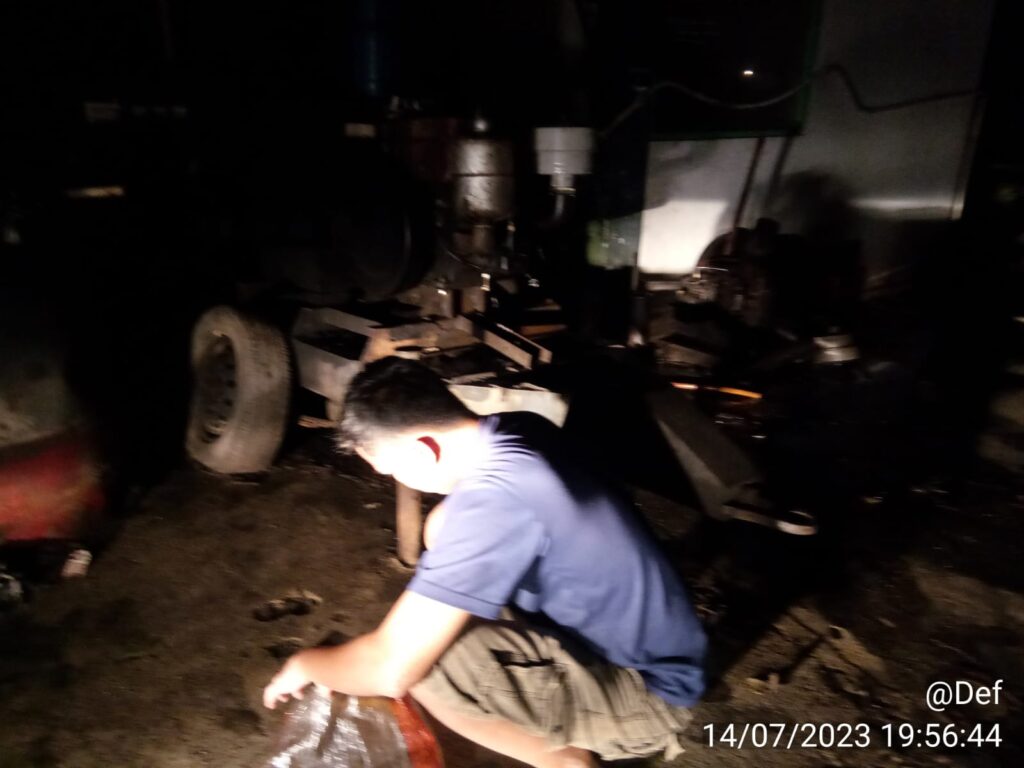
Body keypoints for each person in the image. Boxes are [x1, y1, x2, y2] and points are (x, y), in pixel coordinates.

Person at [263, 356, 706, 768]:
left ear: (424, 450)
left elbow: (390, 669)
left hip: (650, 692)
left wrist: (305, 664)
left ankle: (567, 760)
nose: (397, 480)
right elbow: (458, 523)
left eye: (393, 471)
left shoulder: (498, 499)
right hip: (641, 638)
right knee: (441, 530)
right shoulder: (518, 428)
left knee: (428, 672)